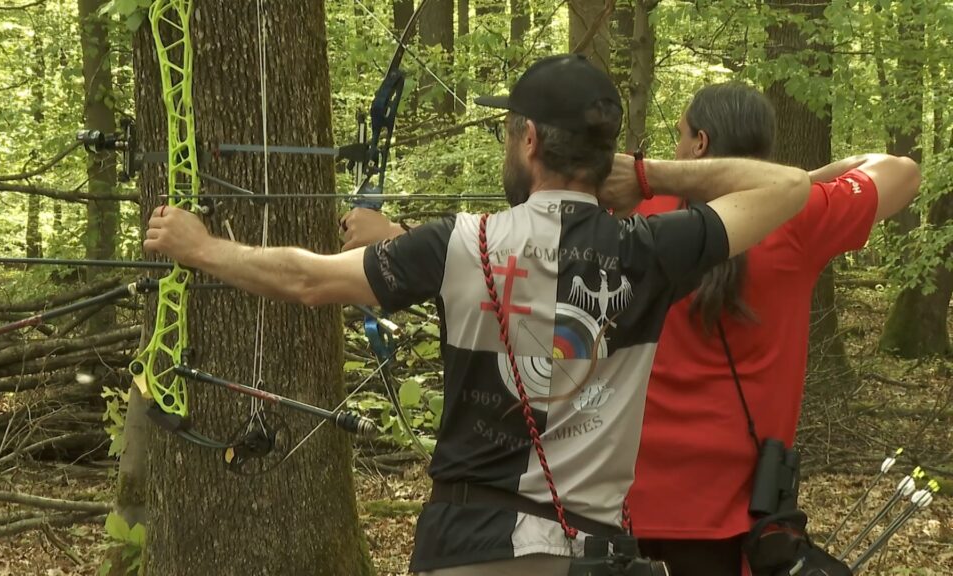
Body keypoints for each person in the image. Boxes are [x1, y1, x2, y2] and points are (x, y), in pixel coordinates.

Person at [144, 56, 811, 575]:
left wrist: (202, 248)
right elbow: (787, 186)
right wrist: (649, 175)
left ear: (527, 141)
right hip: (592, 552)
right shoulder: (649, 251)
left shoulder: (460, 242)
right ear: (600, 155)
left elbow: (306, 279)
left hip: (467, 547)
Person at [625, 83, 921, 576]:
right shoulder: (801, 218)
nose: (675, 149)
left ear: (699, 144)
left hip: (630, 502)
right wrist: (798, 185)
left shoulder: (641, 216)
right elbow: (901, 170)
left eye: (680, 137)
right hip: (737, 513)